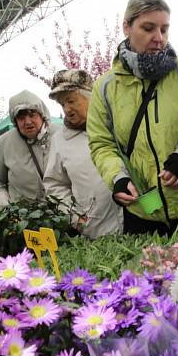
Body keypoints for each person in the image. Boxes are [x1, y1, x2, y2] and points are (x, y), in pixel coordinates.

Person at [87, 0, 178, 235]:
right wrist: (118, 178)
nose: (159, 38)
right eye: (148, 28)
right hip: (142, 213)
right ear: (127, 27)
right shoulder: (105, 87)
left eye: (164, 29)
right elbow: (101, 144)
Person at [44, 69, 122, 238]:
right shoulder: (60, 140)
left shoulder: (118, 124)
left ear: (90, 96)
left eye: (71, 101)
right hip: (97, 233)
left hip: (139, 222)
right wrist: (75, 217)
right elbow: (54, 185)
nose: (67, 109)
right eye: (62, 104)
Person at [0, 90, 59, 207]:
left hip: (63, 214)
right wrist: (5, 204)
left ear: (42, 115)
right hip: (24, 218)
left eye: (32, 115)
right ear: (15, 121)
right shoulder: (5, 142)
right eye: (21, 118)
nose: (27, 122)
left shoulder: (59, 135)